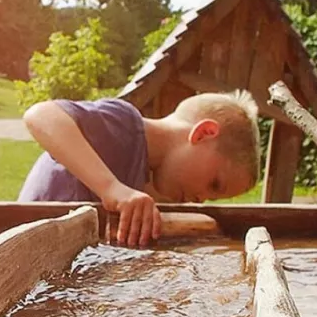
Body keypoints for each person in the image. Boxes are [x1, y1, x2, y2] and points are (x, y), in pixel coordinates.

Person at [19, 91, 262, 247]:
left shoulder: (141, 177)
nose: (201, 199)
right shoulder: (125, 127)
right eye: (214, 184)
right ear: (203, 134)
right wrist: (111, 188)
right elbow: (40, 115)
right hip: (21, 241)